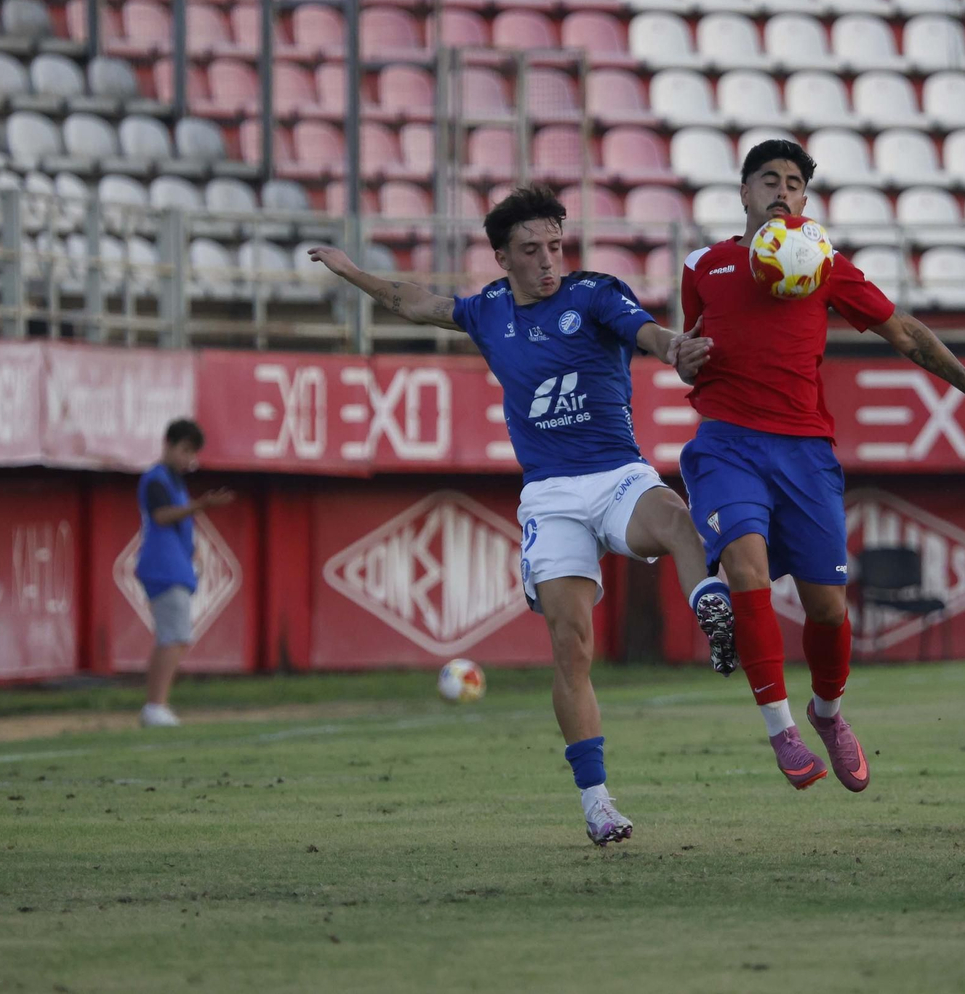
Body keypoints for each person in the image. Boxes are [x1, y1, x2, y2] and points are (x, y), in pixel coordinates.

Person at [308, 184, 735, 847]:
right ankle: (596, 801)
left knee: (677, 518)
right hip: (550, 495)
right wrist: (351, 271)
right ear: (502, 258)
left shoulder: (592, 292)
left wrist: (675, 347)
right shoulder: (488, 312)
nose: (548, 261)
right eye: (532, 250)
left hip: (618, 474)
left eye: (556, 246)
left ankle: (712, 607)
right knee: (572, 646)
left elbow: (644, 331)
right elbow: (413, 301)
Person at [678, 139, 965, 792]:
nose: (783, 191)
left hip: (806, 451)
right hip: (727, 442)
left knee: (829, 610)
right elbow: (687, 344)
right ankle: (781, 726)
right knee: (747, 571)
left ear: (806, 200)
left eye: (795, 183)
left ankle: (827, 713)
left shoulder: (824, 265)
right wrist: (683, 359)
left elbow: (905, 334)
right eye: (770, 180)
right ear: (744, 192)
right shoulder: (704, 263)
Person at [136, 418, 233, 728]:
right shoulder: (156, 479)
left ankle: (156, 705)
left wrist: (192, 551)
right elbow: (162, 516)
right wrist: (202, 505)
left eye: (193, 453)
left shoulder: (174, 481)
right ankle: (155, 705)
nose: (189, 459)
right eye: (185, 450)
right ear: (168, 444)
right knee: (173, 635)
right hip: (163, 568)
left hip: (174, 565)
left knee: (176, 636)